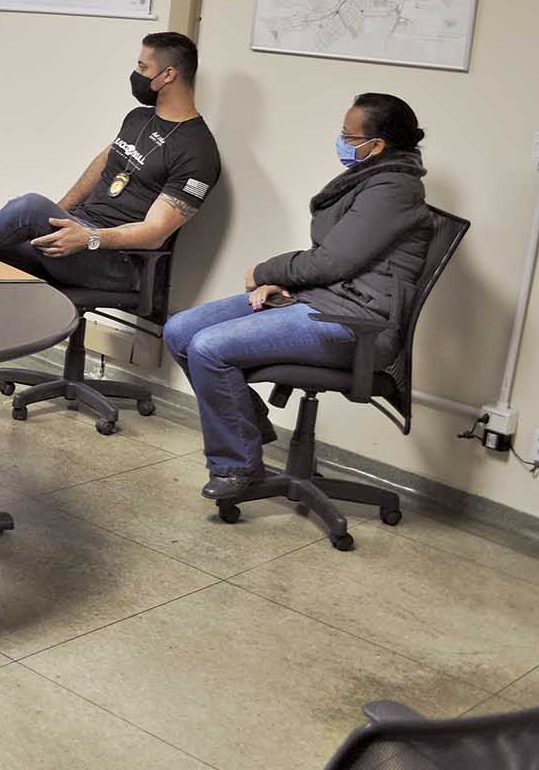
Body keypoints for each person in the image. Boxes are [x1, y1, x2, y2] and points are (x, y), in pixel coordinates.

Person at [164, 94, 431, 500]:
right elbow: (338, 260)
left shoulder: (394, 190)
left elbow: (333, 261)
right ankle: (245, 427)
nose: (341, 141)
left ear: (377, 145)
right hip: (322, 300)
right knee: (180, 330)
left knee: (208, 347)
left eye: (349, 136)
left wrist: (266, 272)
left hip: (356, 324)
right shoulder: (372, 179)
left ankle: (238, 467)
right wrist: (289, 284)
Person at [0, 32, 220, 293]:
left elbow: (155, 234)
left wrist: (89, 237)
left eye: (142, 67)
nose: (136, 74)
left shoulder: (198, 150)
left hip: (120, 262)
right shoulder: (138, 118)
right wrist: (57, 216)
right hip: (79, 233)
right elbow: (102, 164)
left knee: (28, 208)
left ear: (168, 75)